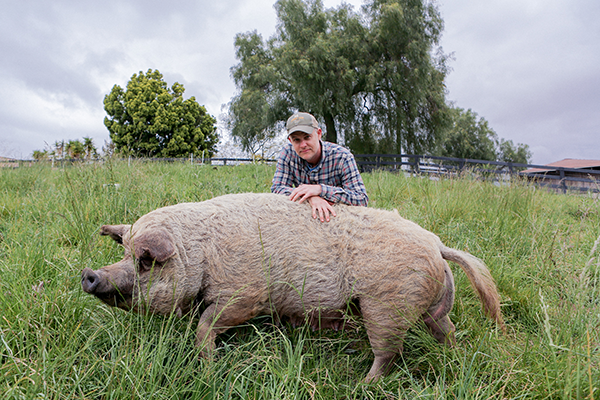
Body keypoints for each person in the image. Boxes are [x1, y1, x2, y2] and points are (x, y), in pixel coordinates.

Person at [271, 112, 368, 222]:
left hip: (338, 219)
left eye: (307, 137)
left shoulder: (342, 157)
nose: (303, 145)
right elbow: (277, 189)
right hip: (305, 219)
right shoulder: (287, 153)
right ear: (290, 141)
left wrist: (320, 190)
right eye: (296, 140)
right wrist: (310, 197)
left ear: (319, 133)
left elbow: (361, 199)